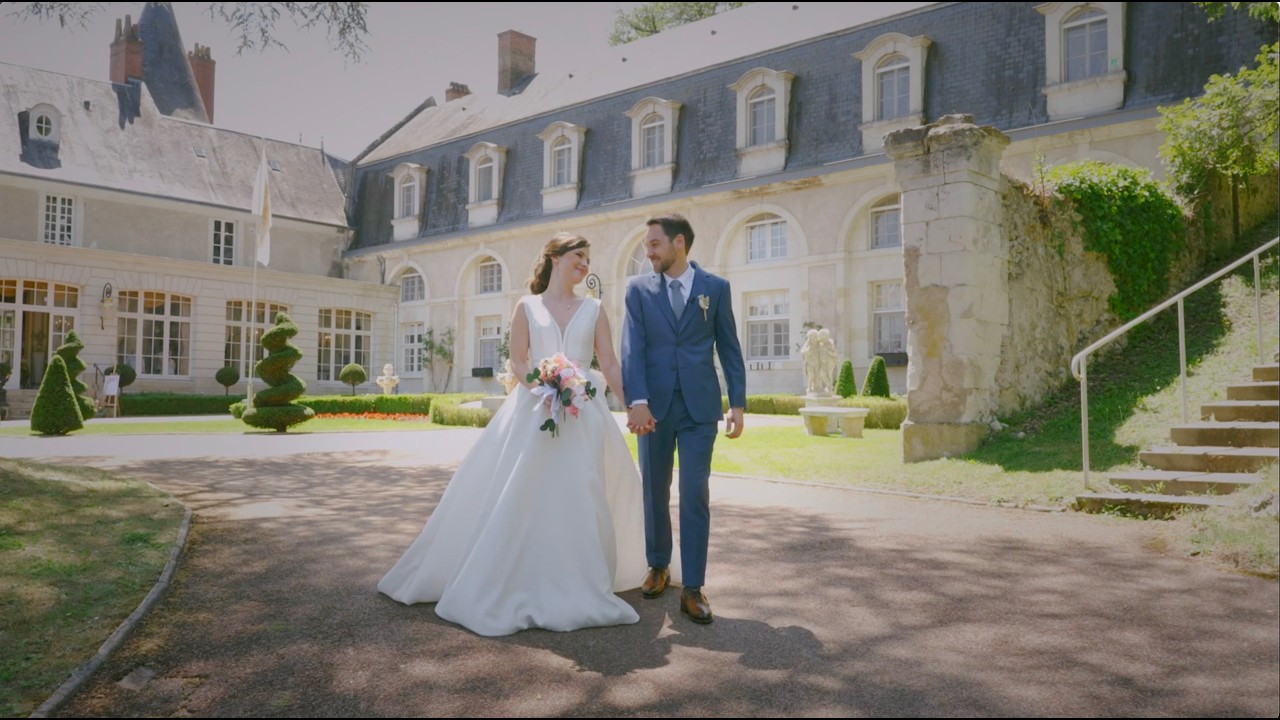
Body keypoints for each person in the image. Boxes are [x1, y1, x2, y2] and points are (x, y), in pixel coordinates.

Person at [378, 232, 647, 636]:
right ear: (555, 258)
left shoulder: (595, 309)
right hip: (534, 409)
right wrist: (542, 384)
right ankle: (515, 576)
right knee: (524, 491)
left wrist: (631, 403)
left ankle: (581, 579)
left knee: (584, 491)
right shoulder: (527, 306)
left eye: (588, 259)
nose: (585, 265)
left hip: (584, 413)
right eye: (578, 256)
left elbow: (608, 362)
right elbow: (517, 361)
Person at [621, 213, 747, 624]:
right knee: (654, 491)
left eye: (654, 243)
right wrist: (636, 400)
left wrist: (738, 403)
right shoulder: (637, 290)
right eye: (647, 245)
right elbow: (632, 348)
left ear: (679, 243)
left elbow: (729, 347)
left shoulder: (716, 289)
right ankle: (659, 565)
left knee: (695, 492)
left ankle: (692, 587)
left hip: (699, 408)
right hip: (653, 409)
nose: (648, 251)